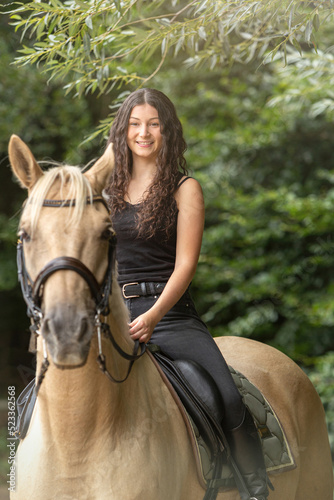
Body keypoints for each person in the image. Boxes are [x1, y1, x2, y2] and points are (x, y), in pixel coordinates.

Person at [104, 88, 270, 500]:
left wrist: (154, 315)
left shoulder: (184, 187)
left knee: (229, 397)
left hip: (171, 315)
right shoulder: (106, 190)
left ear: (168, 130)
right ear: (124, 130)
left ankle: (255, 487)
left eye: (154, 124)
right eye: (136, 123)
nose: (144, 133)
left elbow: (186, 266)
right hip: (116, 314)